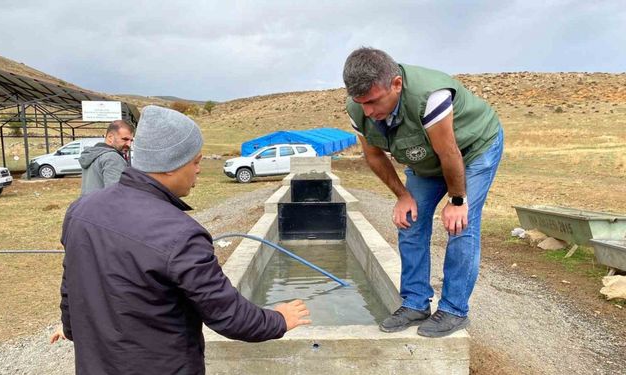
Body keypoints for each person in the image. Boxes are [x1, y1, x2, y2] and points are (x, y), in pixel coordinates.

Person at [54, 105, 310, 374]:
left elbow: (70, 284)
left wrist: (71, 328)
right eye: (196, 161)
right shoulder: (181, 234)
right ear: (169, 165)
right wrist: (279, 319)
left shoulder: (81, 210)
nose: (199, 170)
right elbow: (229, 315)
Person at [343, 47, 503, 338]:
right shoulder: (359, 110)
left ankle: (455, 310)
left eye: (373, 101)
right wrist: (403, 196)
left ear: (396, 84)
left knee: (461, 226)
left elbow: (449, 152)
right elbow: (376, 156)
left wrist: (457, 200)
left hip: (472, 150)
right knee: (410, 221)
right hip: (426, 160)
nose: (368, 111)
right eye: (360, 103)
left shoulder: (430, 98)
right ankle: (415, 302)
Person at [79, 120, 134, 195]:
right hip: (103, 206)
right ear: (110, 137)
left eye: (131, 140)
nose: (129, 144)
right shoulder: (112, 157)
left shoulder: (94, 154)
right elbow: (116, 195)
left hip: (88, 205)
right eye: (125, 139)